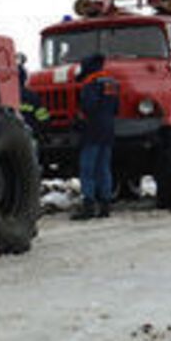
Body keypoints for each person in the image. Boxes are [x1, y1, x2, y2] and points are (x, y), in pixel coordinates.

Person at [72, 53, 118, 219]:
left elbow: (88, 106)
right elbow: (115, 108)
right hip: (108, 130)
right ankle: (105, 205)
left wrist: (79, 119)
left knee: (87, 168)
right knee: (104, 168)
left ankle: (88, 205)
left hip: (91, 130)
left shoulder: (90, 84)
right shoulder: (111, 83)